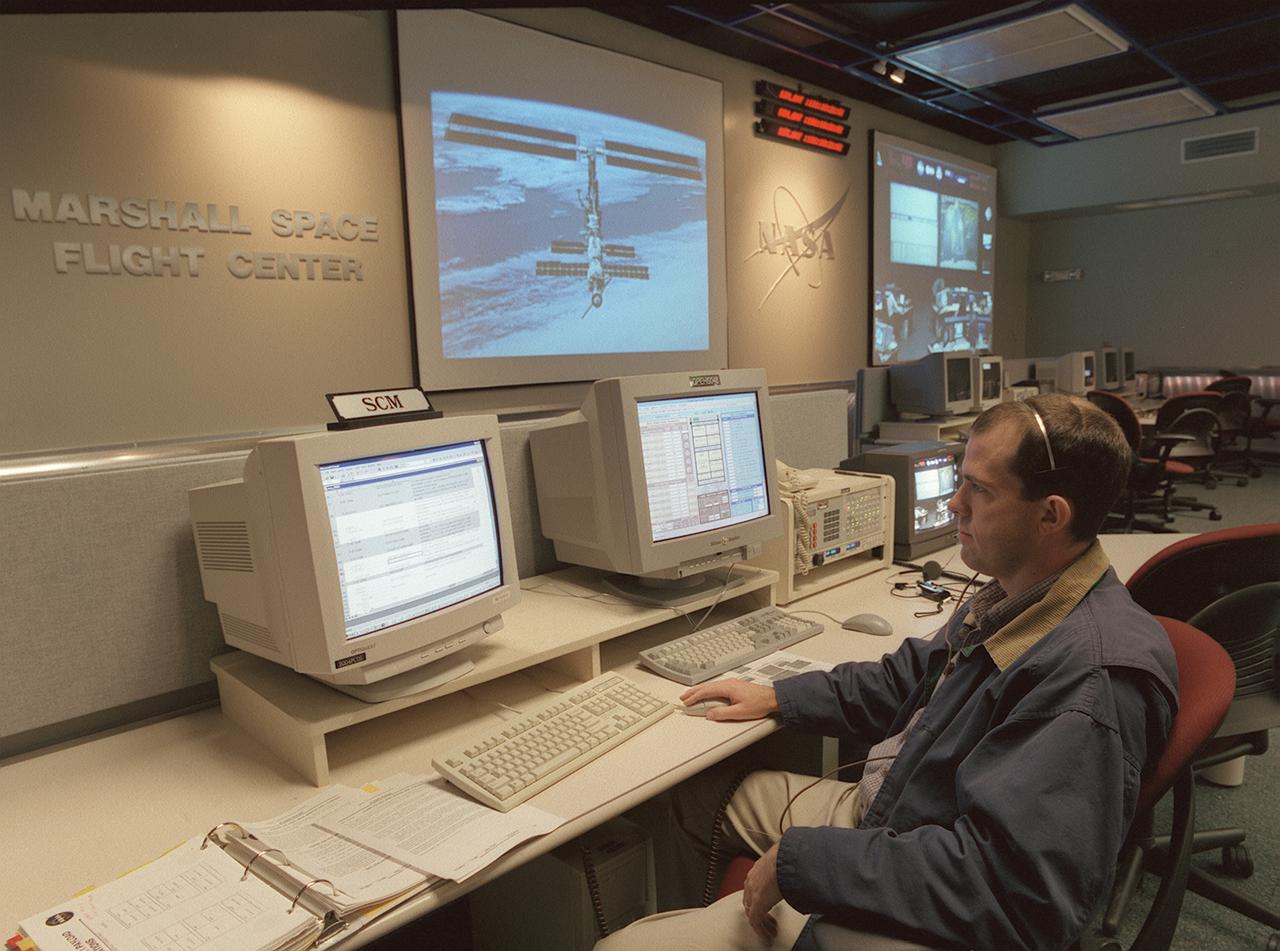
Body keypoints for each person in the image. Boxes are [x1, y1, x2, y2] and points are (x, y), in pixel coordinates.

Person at [597, 394, 1178, 951]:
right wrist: (777, 695)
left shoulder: (1088, 681)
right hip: (905, 811)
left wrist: (805, 862)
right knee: (691, 801)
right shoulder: (1021, 593)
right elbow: (909, 679)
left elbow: (1018, 893)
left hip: (927, 868)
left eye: (978, 490)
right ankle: (729, 925)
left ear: (1051, 516)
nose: (955, 505)